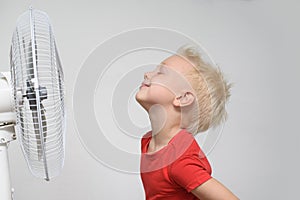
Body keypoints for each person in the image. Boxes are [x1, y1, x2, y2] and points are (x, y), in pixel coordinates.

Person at [135, 44, 239, 200]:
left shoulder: (180, 160)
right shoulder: (147, 142)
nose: (147, 74)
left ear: (182, 98)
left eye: (161, 72)